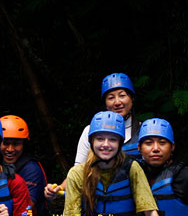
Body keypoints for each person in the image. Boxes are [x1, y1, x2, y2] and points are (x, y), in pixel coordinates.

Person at [51, 111, 174, 216]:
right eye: (100, 139)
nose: (106, 145)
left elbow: (150, 212)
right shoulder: (77, 173)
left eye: (112, 139)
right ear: (91, 142)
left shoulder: (132, 168)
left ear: (120, 143)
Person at [45, 72, 141, 200]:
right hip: (99, 202)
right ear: (105, 102)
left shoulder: (145, 132)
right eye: (111, 97)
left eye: (122, 96)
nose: (117, 102)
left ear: (132, 98)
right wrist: (59, 189)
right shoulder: (91, 131)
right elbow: (79, 171)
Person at [0, 115, 48, 216]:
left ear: (24, 144)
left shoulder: (31, 169)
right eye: (6, 143)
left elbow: (27, 208)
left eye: (16, 144)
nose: (10, 149)